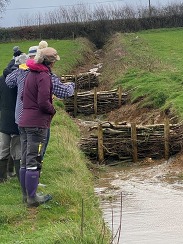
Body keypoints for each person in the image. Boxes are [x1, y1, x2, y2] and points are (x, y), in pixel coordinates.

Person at [18, 47, 60, 207]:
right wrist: (52, 110)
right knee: (33, 160)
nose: (55, 63)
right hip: (37, 124)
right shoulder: (43, 76)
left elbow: (23, 96)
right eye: (54, 60)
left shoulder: (30, 73)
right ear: (50, 61)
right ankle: (33, 198)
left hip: (24, 121)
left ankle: (26, 196)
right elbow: (43, 102)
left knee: (25, 160)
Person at [0, 54, 26, 182]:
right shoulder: (22, 78)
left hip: (4, 118)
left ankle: (2, 178)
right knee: (17, 148)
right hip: (18, 117)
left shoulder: (1, 78)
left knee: (3, 147)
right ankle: (15, 173)